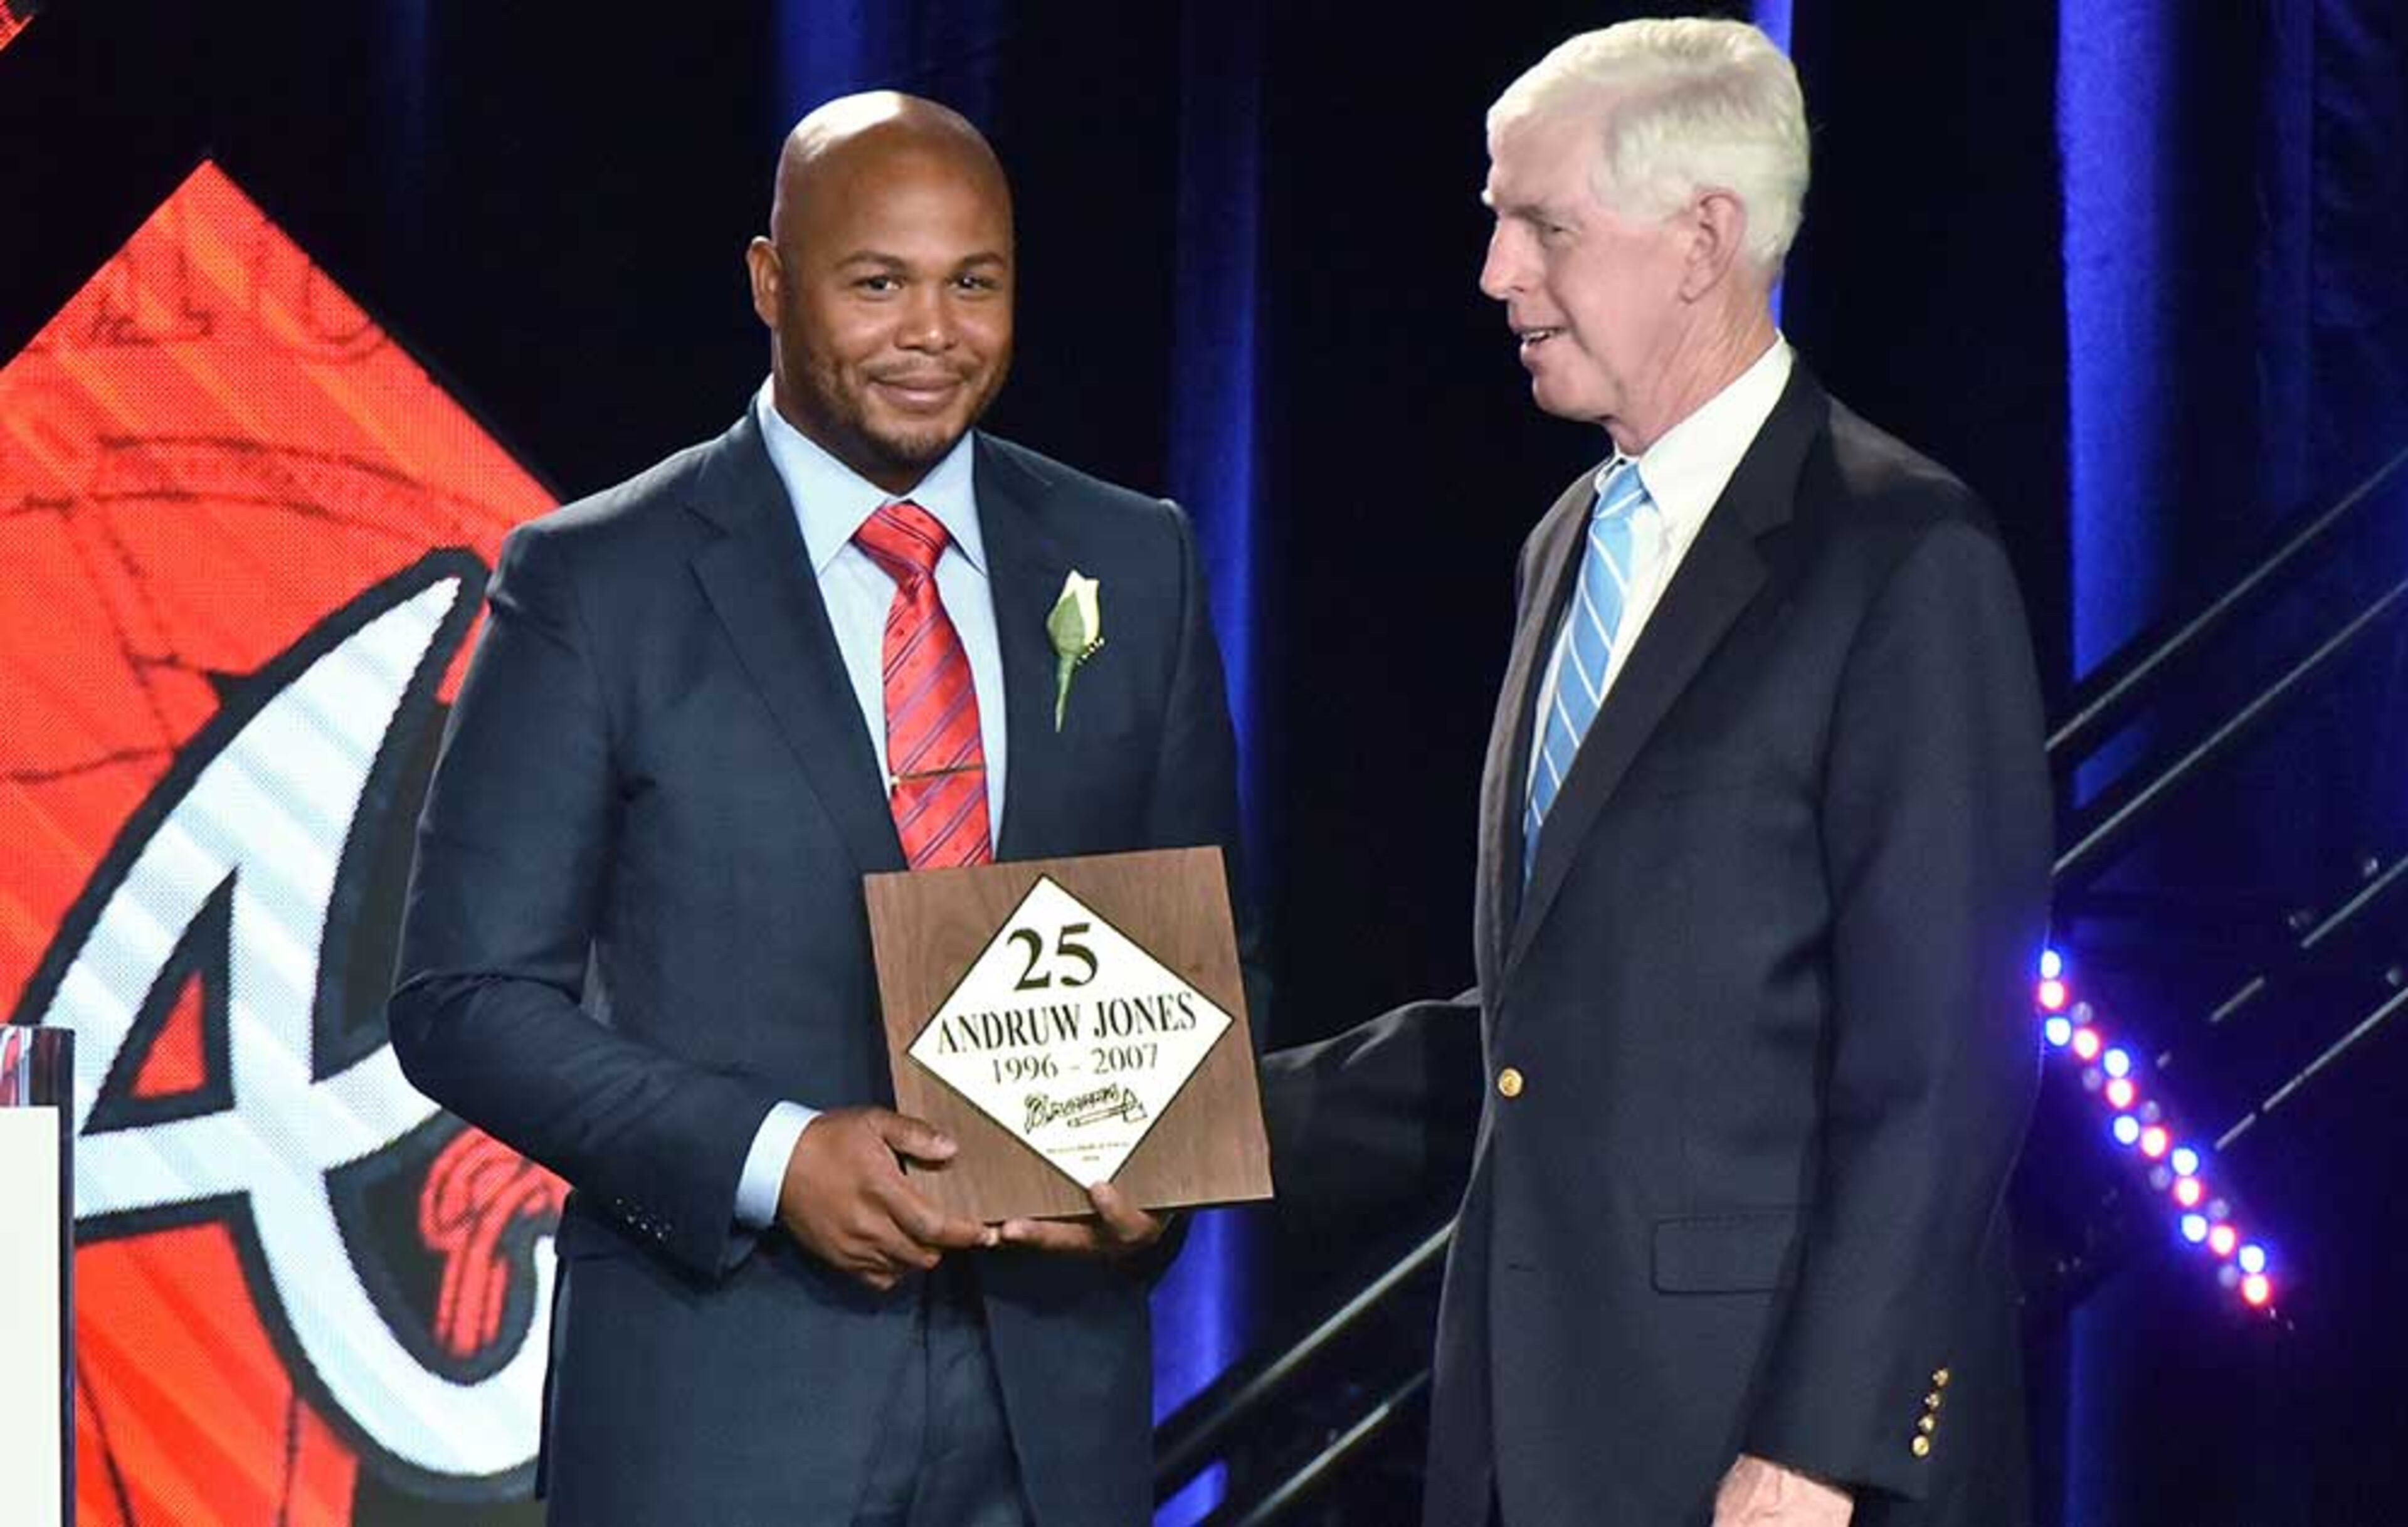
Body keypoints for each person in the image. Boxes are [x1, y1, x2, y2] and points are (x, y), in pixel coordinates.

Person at [389, 92, 1225, 1526]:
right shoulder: (598, 582)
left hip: (1052, 1423)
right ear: (771, 283)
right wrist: (774, 1160)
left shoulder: (1129, 558)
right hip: (719, 1409)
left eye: (975, 282)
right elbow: (463, 997)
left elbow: (1214, 941)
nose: (933, 332)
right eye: (877, 282)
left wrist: (1166, 1174)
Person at [1261, 19, 2051, 1526]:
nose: (1497, 272)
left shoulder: (1899, 554)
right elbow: (1558, 1026)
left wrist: (1820, 1448)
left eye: (1544, 225)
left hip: (1764, 1456)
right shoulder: (1567, 544)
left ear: (1702, 242)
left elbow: (1944, 1055)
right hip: (1533, 1432)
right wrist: (1181, 1117)